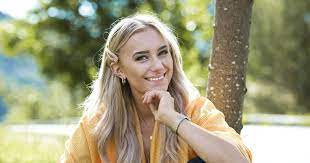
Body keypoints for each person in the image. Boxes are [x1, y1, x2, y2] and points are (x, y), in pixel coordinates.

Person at [60, 13, 252, 163]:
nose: (159, 66)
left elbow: (239, 161)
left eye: (162, 53)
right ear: (118, 70)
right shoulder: (98, 124)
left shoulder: (195, 110)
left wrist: (175, 120)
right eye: (142, 57)